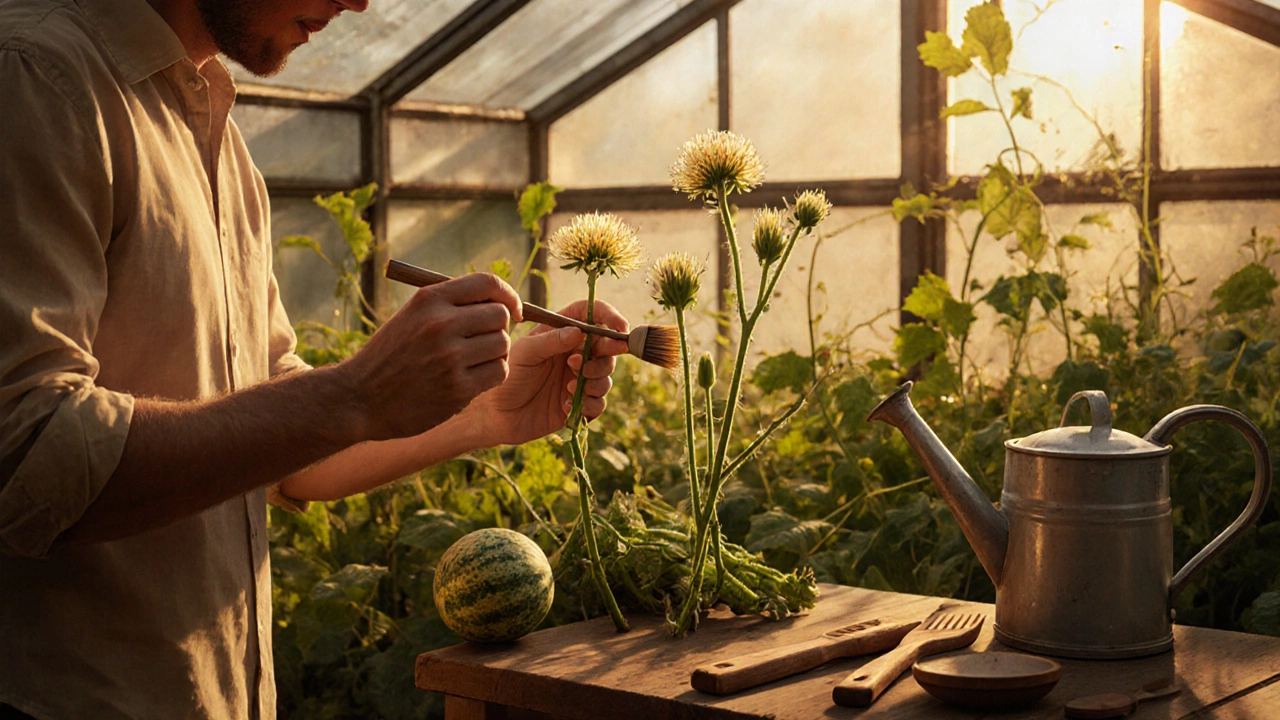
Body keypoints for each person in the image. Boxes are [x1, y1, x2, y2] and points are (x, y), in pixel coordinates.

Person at [0, 0, 627, 717]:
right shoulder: (36, 77)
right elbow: (23, 448)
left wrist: (481, 412)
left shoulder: (214, 136)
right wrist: (356, 393)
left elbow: (286, 447)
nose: (360, 1)